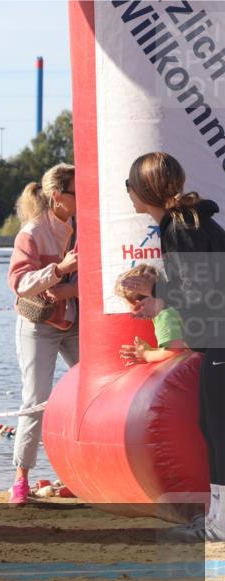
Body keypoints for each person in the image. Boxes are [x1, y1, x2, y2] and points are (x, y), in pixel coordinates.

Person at [119, 152, 225, 540]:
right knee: (211, 429)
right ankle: (217, 520)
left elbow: (206, 291)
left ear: (144, 191)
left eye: (129, 185)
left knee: (218, 431)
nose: (128, 193)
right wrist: (159, 301)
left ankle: (219, 526)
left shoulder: (182, 228)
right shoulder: (184, 224)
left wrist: (156, 290)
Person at [7, 163, 79, 505]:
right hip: (39, 326)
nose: (85, 198)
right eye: (78, 193)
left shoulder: (85, 226)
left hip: (76, 322)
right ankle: (20, 479)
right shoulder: (32, 233)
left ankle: (75, 475)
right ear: (57, 197)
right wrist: (60, 271)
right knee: (35, 401)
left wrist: (70, 290)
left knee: (89, 395)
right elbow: (19, 284)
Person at [115, 264, 187, 365]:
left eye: (127, 303)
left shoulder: (163, 315)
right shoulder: (172, 306)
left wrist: (146, 355)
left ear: (137, 303)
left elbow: (175, 352)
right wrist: (151, 351)